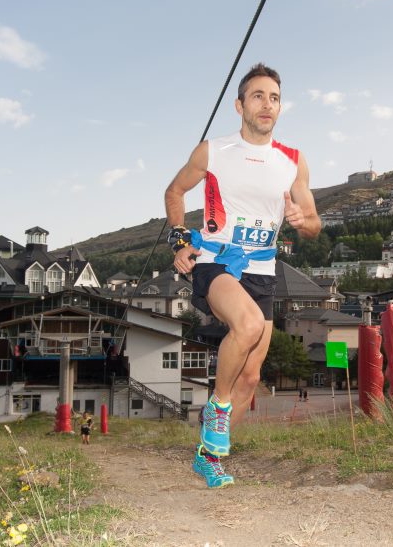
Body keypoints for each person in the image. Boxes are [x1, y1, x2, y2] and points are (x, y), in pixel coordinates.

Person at [165, 63, 320, 488]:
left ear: (280, 107)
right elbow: (174, 192)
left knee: (251, 376)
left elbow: (314, 225)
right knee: (247, 325)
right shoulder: (213, 151)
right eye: (257, 96)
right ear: (240, 105)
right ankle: (216, 408)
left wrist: (300, 218)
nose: (266, 104)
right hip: (216, 261)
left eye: (273, 97)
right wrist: (179, 241)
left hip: (262, 270)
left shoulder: (293, 162)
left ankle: (208, 456)